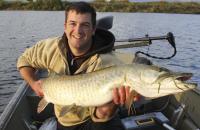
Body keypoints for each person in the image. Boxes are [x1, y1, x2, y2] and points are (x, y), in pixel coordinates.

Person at [17, 2, 140, 130]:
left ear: (93, 30)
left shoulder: (109, 62)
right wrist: (33, 83)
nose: (78, 31)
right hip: (65, 121)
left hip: (97, 119)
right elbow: (24, 60)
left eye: (85, 25)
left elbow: (104, 112)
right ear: (65, 27)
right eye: (72, 24)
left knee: (106, 113)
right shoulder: (50, 48)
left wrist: (110, 107)